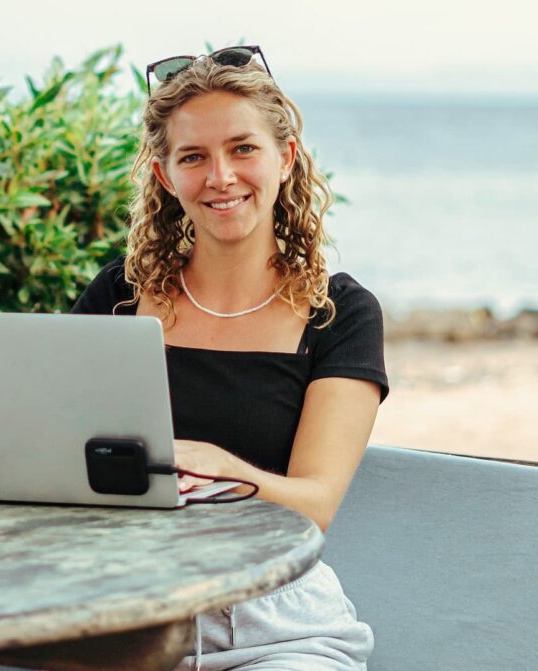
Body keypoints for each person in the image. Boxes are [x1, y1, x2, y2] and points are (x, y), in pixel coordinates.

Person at [71, 46, 388, 671]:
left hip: (276, 629)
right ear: (165, 177)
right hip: (122, 618)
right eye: (193, 156)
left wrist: (217, 466)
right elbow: (53, 454)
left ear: (285, 158)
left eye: (243, 148)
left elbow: (315, 505)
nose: (220, 177)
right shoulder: (119, 297)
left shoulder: (339, 313)